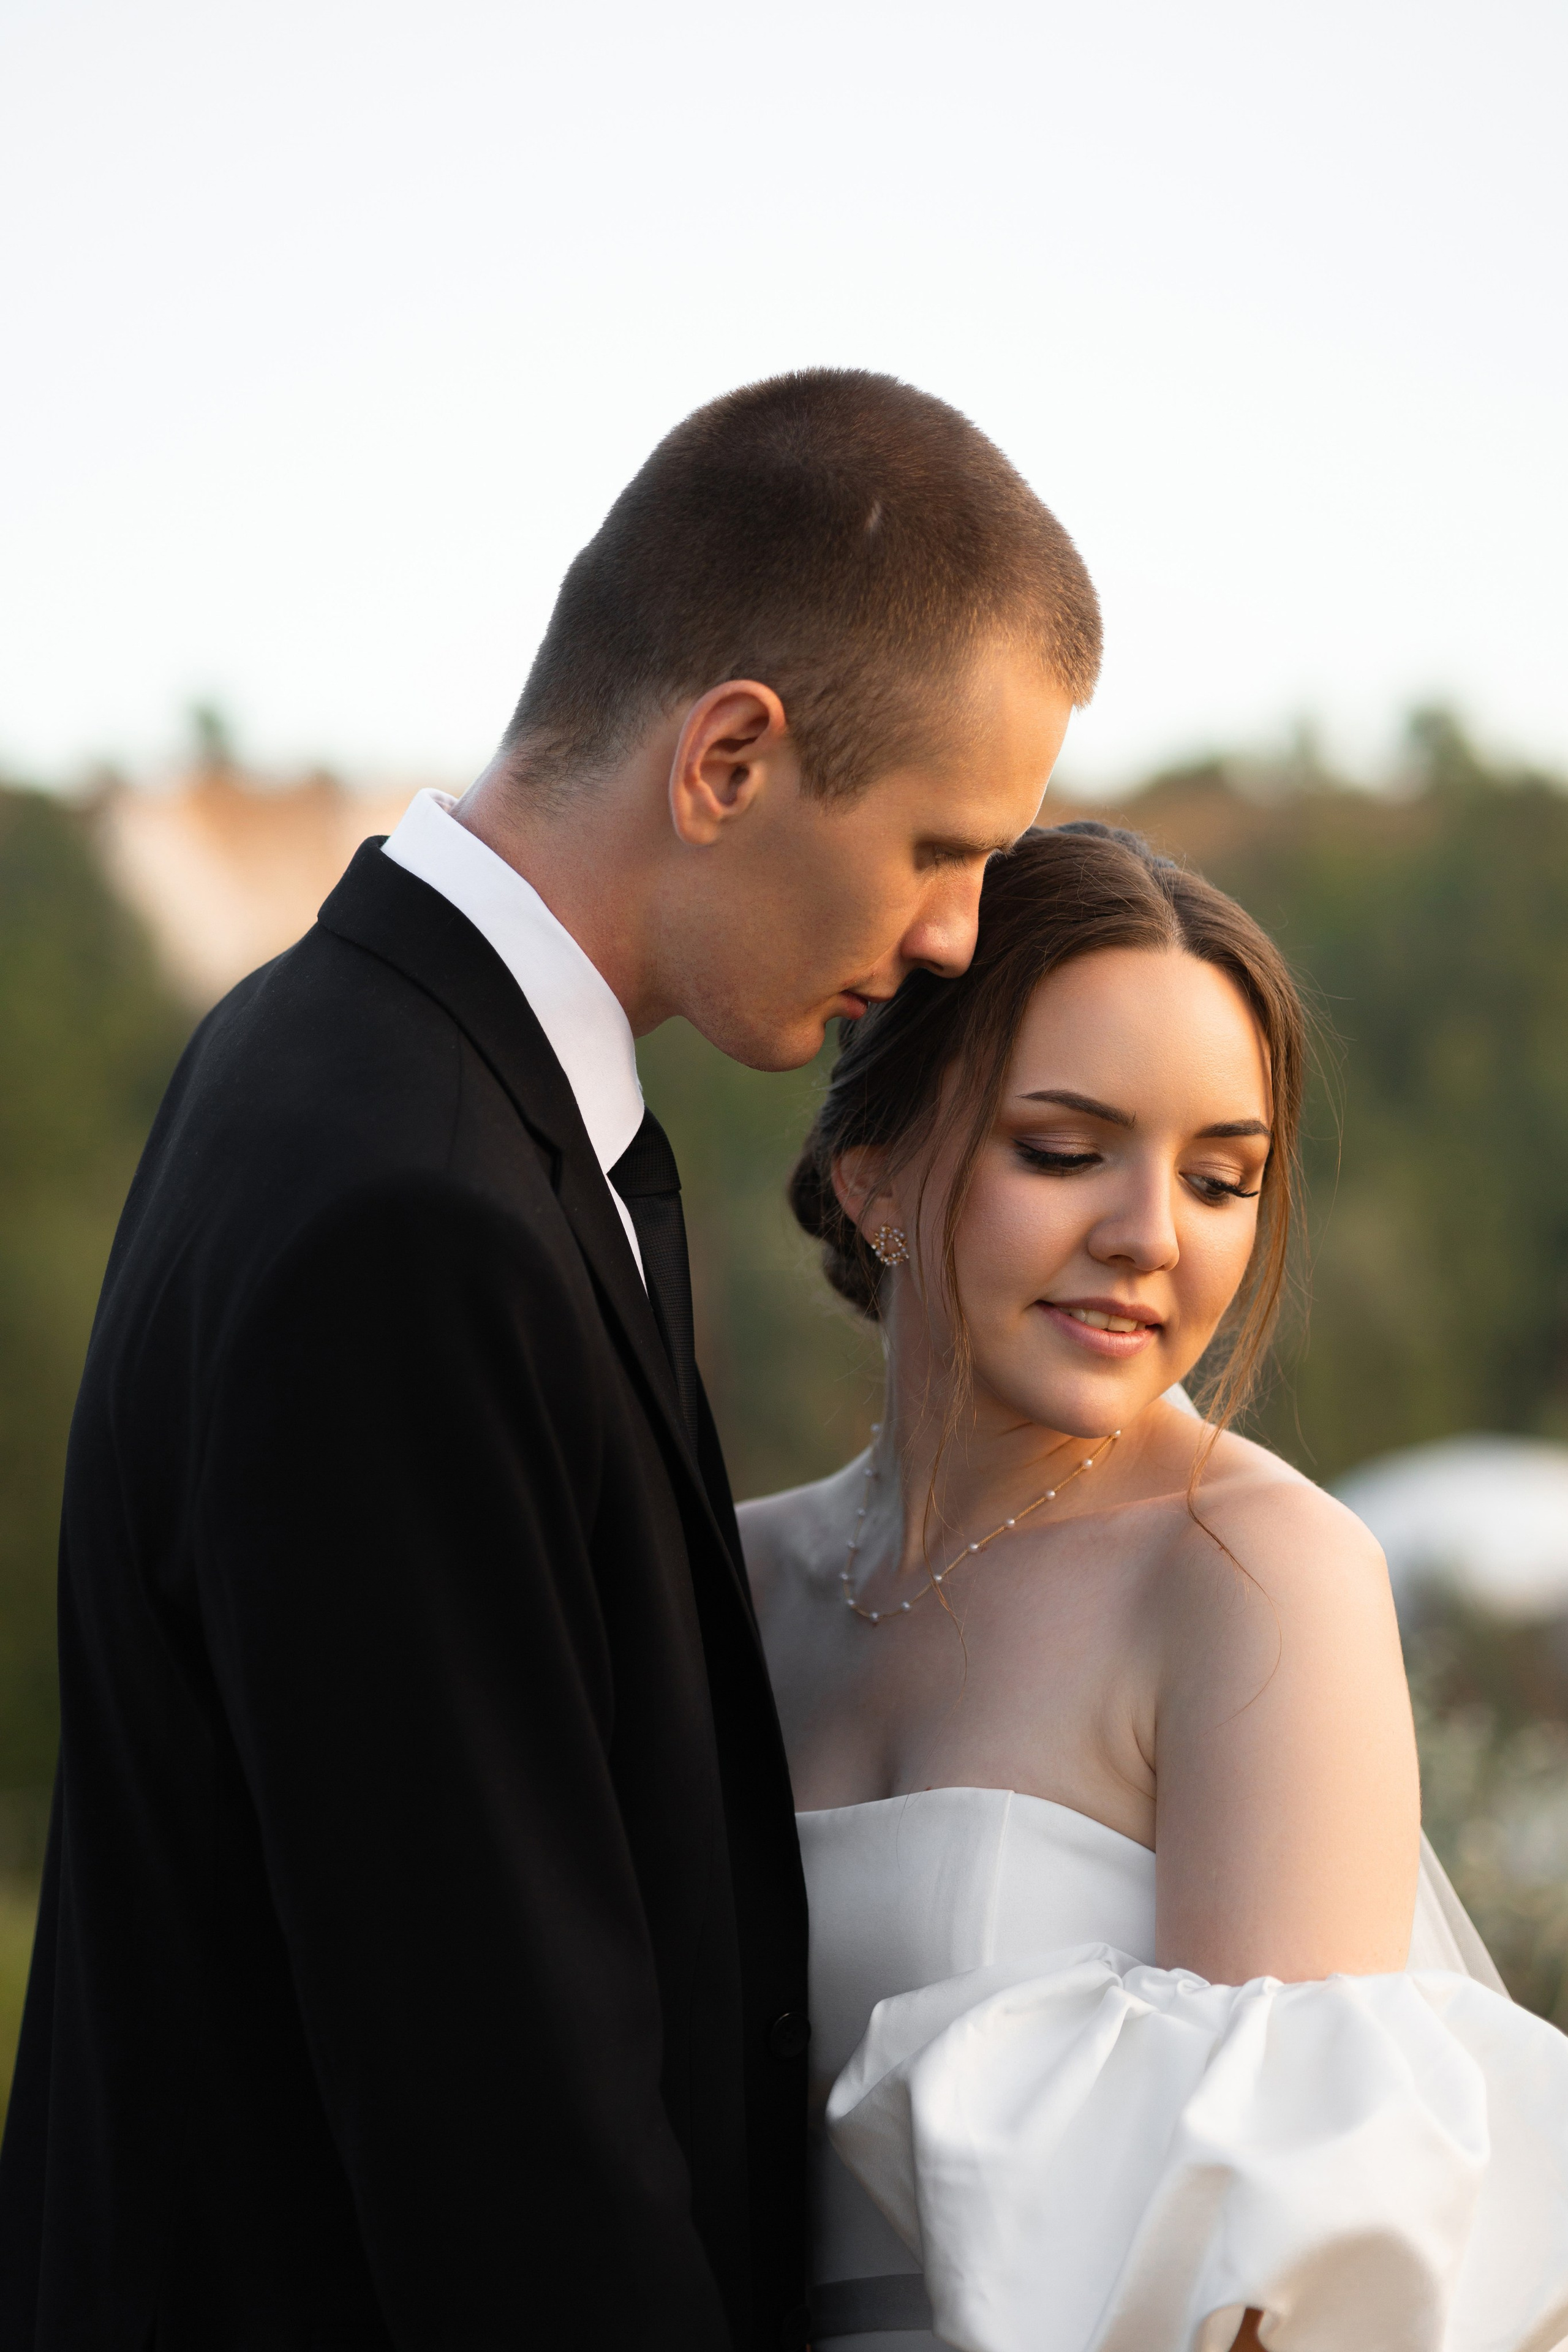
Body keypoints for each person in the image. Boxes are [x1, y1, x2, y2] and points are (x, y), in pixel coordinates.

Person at [0, 373, 1099, 2348]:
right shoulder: (412, 1215)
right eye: (941, 846)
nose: (954, 938)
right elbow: (496, 2118)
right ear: (732, 759)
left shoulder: (337, 1056)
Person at [743, 821, 1568, 2352]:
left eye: (1220, 1178)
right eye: (1062, 1152)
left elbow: (1272, 2273)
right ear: (874, 1177)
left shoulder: (1251, 1578)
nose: (1146, 1240)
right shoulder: (726, 1574)